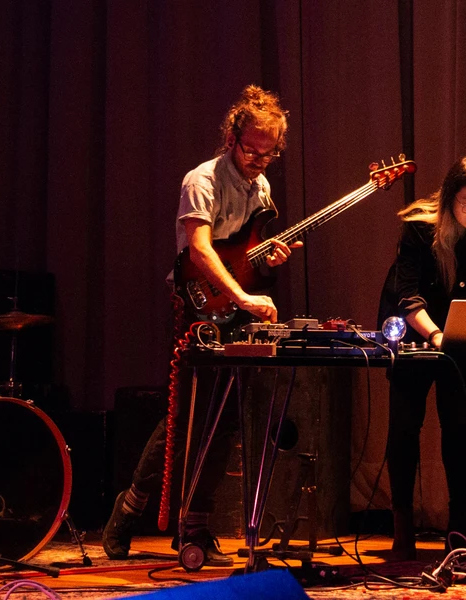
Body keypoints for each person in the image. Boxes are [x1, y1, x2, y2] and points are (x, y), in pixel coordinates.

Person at [103, 85, 302, 566]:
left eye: (268, 152)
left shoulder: (263, 189)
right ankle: (129, 509)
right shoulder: (202, 180)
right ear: (233, 137)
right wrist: (243, 297)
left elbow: (245, 258)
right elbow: (200, 251)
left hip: (235, 306)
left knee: (227, 420)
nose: (258, 160)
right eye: (251, 149)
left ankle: (195, 528)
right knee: (184, 418)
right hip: (196, 305)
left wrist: (268, 262)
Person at [377, 156, 466, 561]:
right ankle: (402, 528)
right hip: (414, 331)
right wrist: (438, 335)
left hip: (459, 335)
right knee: (405, 425)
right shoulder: (420, 230)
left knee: (458, 427)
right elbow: (408, 297)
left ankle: (459, 529)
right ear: (448, 199)